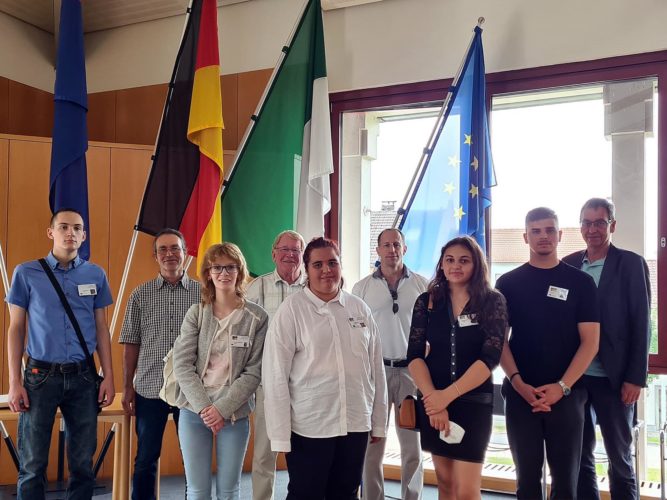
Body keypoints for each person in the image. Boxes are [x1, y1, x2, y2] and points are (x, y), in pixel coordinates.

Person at [262, 237, 388, 499]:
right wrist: (280, 435)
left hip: (355, 423)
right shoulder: (291, 311)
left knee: (345, 493)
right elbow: (275, 376)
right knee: (306, 494)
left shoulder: (359, 308)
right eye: (318, 264)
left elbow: (376, 369)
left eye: (332, 262)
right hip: (310, 427)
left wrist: (377, 422)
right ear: (307, 270)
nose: (326, 270)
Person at [6, 208, 115, 499]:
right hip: (40, 377)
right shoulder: (26, 272)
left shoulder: (95, 274)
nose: (71, 233)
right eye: (64, 227)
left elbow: (101, 329)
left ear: (84, 235)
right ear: (50, 233)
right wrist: (14, 382)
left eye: (77, 228)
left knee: (82, 465)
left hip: (83, 378)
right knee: (32, 464)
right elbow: (16, 328)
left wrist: (108, 376)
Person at [497, 207, 600, 499]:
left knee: (567, 483)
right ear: (525, 236)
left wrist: (562, 387)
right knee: (526, 481)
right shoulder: (507, 283)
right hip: (521, 395)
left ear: (560, 235)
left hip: (568, 396)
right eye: (537, 231)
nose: (544, 236)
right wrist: (518, 383)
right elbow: (499, 342)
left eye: (550, 230)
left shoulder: (581, 283)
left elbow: (590, 342)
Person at [562, 198, 650, 500]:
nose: (593, 229)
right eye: (587, 223)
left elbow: (642, 322)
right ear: (580, 227)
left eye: (600, 222)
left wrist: (636, 377)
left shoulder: (630, 263)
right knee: (580, 456)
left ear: (612, 225)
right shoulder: (570, 264)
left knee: (620, 458)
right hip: (575, 378)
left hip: (615, 379)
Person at [406, 236, 507, 499]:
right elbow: (414, 356)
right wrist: (433, 399)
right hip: (433, 402)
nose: (455, 266)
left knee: (466, 490)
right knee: (446, 484)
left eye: (464, 260)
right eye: (449, 260)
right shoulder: (427, 301)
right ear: (441, 264)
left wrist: (445, 397)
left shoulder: (492, 301)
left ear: (476, 265)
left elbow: (490, 358)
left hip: (472, 403)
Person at [173, 242, 268, 500]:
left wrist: (221, 410)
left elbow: (254, 371)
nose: (224, 273)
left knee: (229, 490)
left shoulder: (257, 317)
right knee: (197, 490)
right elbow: (182, 364)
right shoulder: (197, 313)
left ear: (240, 271)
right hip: (194, 410)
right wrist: (206, 409)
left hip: (234, 412)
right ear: (208, 273)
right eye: (217, 267)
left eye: (230, 267)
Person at [119, 228, 200, 500]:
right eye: (163, 249)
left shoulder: (204, 294)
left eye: (174, 248)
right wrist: (127, 387)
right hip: (150, 389)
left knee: (193, 459)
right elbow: (131, 343)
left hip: (191, 391)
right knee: (145, 458)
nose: (169, 254)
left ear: (185, 252)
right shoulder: (140, 295)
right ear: (155, 256)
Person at [352, 228, 428, 500]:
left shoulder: (423, 285)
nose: (392, 249)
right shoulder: (361, 288)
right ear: (378, 250)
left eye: (397, 244)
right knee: (373, 445)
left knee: (412, 447)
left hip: (412, 373)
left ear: (404, 249)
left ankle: (412, 497)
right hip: (377, 373)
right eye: (386, 245)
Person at [246, 230, 306, 500]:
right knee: (264, 455)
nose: (290, 255)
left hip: (307, 387)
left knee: (305, 455)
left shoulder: (313, 288)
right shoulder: (256, 288)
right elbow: (245, 337)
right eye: (285, 249)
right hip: (267, 385)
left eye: (296, 250)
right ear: (273, 253)